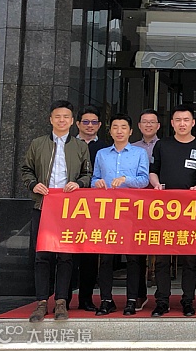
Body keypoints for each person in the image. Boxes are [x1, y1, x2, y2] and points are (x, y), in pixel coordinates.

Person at [21, 100, 92, 322]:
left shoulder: (80, 146)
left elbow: (87, 174)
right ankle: (42, 301)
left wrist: (78, 184)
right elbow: (26, 170)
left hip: (69, 209)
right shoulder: (38, 144)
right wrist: (33, 184)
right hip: (43, 206)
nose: (62, 120)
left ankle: (61, 301)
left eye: (66, 117)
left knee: (65, 256)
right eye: (57, 116)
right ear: (51, 119)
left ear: (72, 121)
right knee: (42, 255)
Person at [148, 104, 196, 317]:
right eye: (178, 120)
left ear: (193, 123)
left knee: (190, 259)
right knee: (162, 258)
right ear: (172, 123)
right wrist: (156, 185)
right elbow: (153, 171)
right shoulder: (162, 145)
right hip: (164, 210)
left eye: (186, 120)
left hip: (192, 211)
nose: (182, 124)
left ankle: (188, 300)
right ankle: (162, 300)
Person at [92, 113, 150, 316]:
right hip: (107, 211)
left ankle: (132, 299)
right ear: (109, 131)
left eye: (123, 127)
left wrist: (126, 179)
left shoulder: (140, 153)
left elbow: (144, 180)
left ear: (131, 131)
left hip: (132, 211)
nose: (119, 131)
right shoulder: (102, 154)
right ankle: (106, 300)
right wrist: (97, 183)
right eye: (115, 127)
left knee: (133, 257)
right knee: (106, 257)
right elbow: (94, 178)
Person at [71, 105, 109, 312]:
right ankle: (63, 297)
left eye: (94, 122)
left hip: (96, 208)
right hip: (69, 207)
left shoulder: (104, 149)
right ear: (77, 124)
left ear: (100, 125)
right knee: (67, 254)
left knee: (90, 255)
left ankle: (86, 298)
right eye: (85, 122)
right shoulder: (68, 145)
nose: (90, 126)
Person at [130, 108, 161, 311]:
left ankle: (162, 296)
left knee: (162, 251)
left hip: (162, 207)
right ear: (139, 126)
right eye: (145, 122)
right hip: (136, 207)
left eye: (152, 122)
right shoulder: (131, 148)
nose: (148, 125)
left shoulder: (165, 146)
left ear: (158, 126)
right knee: (137, 251)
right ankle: (139, 294)